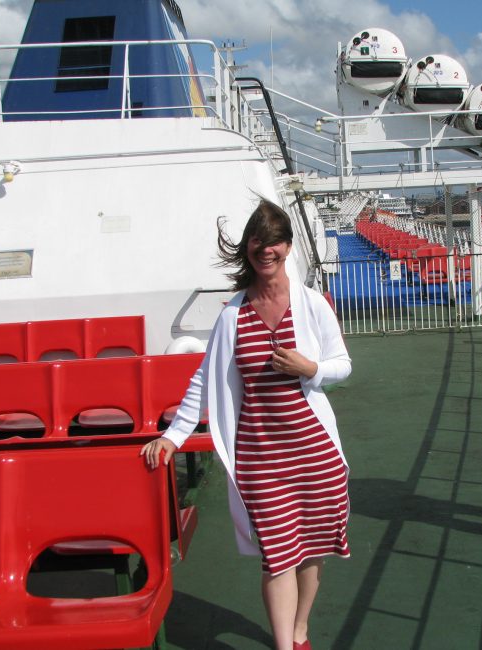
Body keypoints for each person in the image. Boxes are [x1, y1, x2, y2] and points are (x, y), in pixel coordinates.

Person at [141, 199, 352, 650]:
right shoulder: (232, 315)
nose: (266, 249)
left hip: (314, 451)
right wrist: (174, 434)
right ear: (248, 248)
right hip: (261, 454)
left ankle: (299, 631)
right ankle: (284, 645)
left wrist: (308, 367)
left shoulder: (311, 305)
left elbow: (342, 365)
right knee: (278, 557)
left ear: (288, 246)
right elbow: (205, 378)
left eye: (274, 239)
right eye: (258, 239)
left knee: (312, 551)